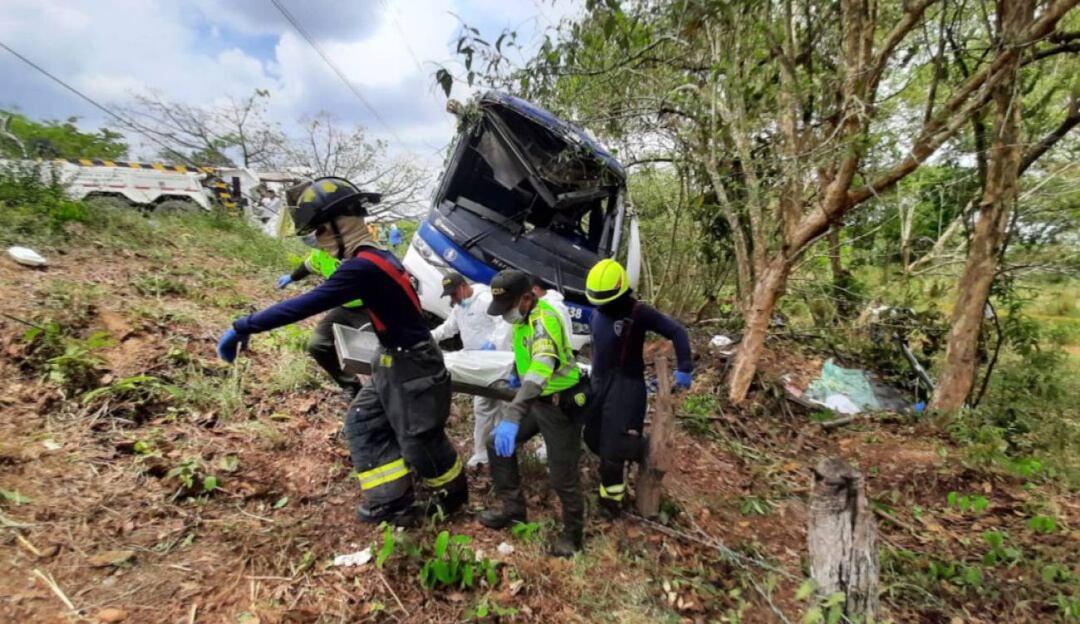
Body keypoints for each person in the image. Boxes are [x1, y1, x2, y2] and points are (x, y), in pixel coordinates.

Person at [216, 177, 466, 525]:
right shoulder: (373, 256)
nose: (317, 240)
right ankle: (391, 501)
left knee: (420, 439)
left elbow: (304, 305)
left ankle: (452, 498)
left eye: (320, 230)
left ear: (339, 224)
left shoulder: (362, 267)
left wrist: (243, 326)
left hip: (413, 364)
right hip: (392, 359)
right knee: (363, 423)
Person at [480, 270, 591, 557]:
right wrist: (516, 373)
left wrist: (513, 413)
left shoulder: (545, 320)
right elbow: (526, 357)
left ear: (527, 298)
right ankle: (513, 510)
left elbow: (542, 365)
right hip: (537, 402)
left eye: (508, 307)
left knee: (563, 476)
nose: (505, 315)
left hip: (559, 407)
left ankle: (573, 537)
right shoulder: (523, 321)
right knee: (495, 443)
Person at [584, 259, 693, 518]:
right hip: (599, 381)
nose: (601, 306)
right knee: (592, 436)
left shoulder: (638, 312)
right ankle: (632, 451)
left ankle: (612, 503)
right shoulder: (597, 312)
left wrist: (685, 368)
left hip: (626, 386)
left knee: (613, 448)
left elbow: (677, 331)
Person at [429, 271, 511, 468]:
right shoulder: (460, 307)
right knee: (483, 408)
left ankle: (505, 451)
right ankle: (483, 453)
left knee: (505, 407)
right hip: (477, 366)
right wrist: (428, 338)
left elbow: (504, 324)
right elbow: (448, 328)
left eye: (454, 294)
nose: (453, 299)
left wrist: (493, 344)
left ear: (463, 287)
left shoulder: (484, 300)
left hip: (497, 364)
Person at [275, 238, 370, 403]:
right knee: (317, 345)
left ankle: (383, 396)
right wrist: (291, 277)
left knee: (377, 354)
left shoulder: (351, 249)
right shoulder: (319, 253)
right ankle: (351, 385)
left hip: (371, 308)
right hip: (345, 308)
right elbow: (309, 265)